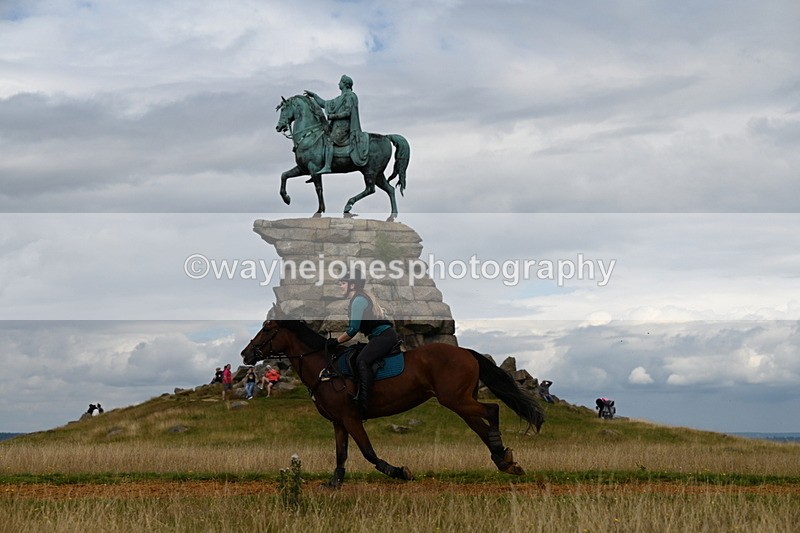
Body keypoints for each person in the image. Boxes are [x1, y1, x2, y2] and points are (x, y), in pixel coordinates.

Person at [326, 268, 397, 416]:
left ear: (352, 285)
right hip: (381, 336)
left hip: (384, 336)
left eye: (343, 283)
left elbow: (353, 329)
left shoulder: (358, 300)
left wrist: (336, 341)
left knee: (362, 360)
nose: (340, 285)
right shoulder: (359, 298)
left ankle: (364, 401)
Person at [304, 74, 369, 174]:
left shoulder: (350, 96)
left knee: (329, 140)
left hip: (344, 127)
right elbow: (324, 103)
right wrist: (314, 96)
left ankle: (327, 166)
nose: (338, 83)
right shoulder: (340, 98)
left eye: (340, 82)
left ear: (345, 84)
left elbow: (348, 113)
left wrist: (333, 116)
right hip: (336, 126)